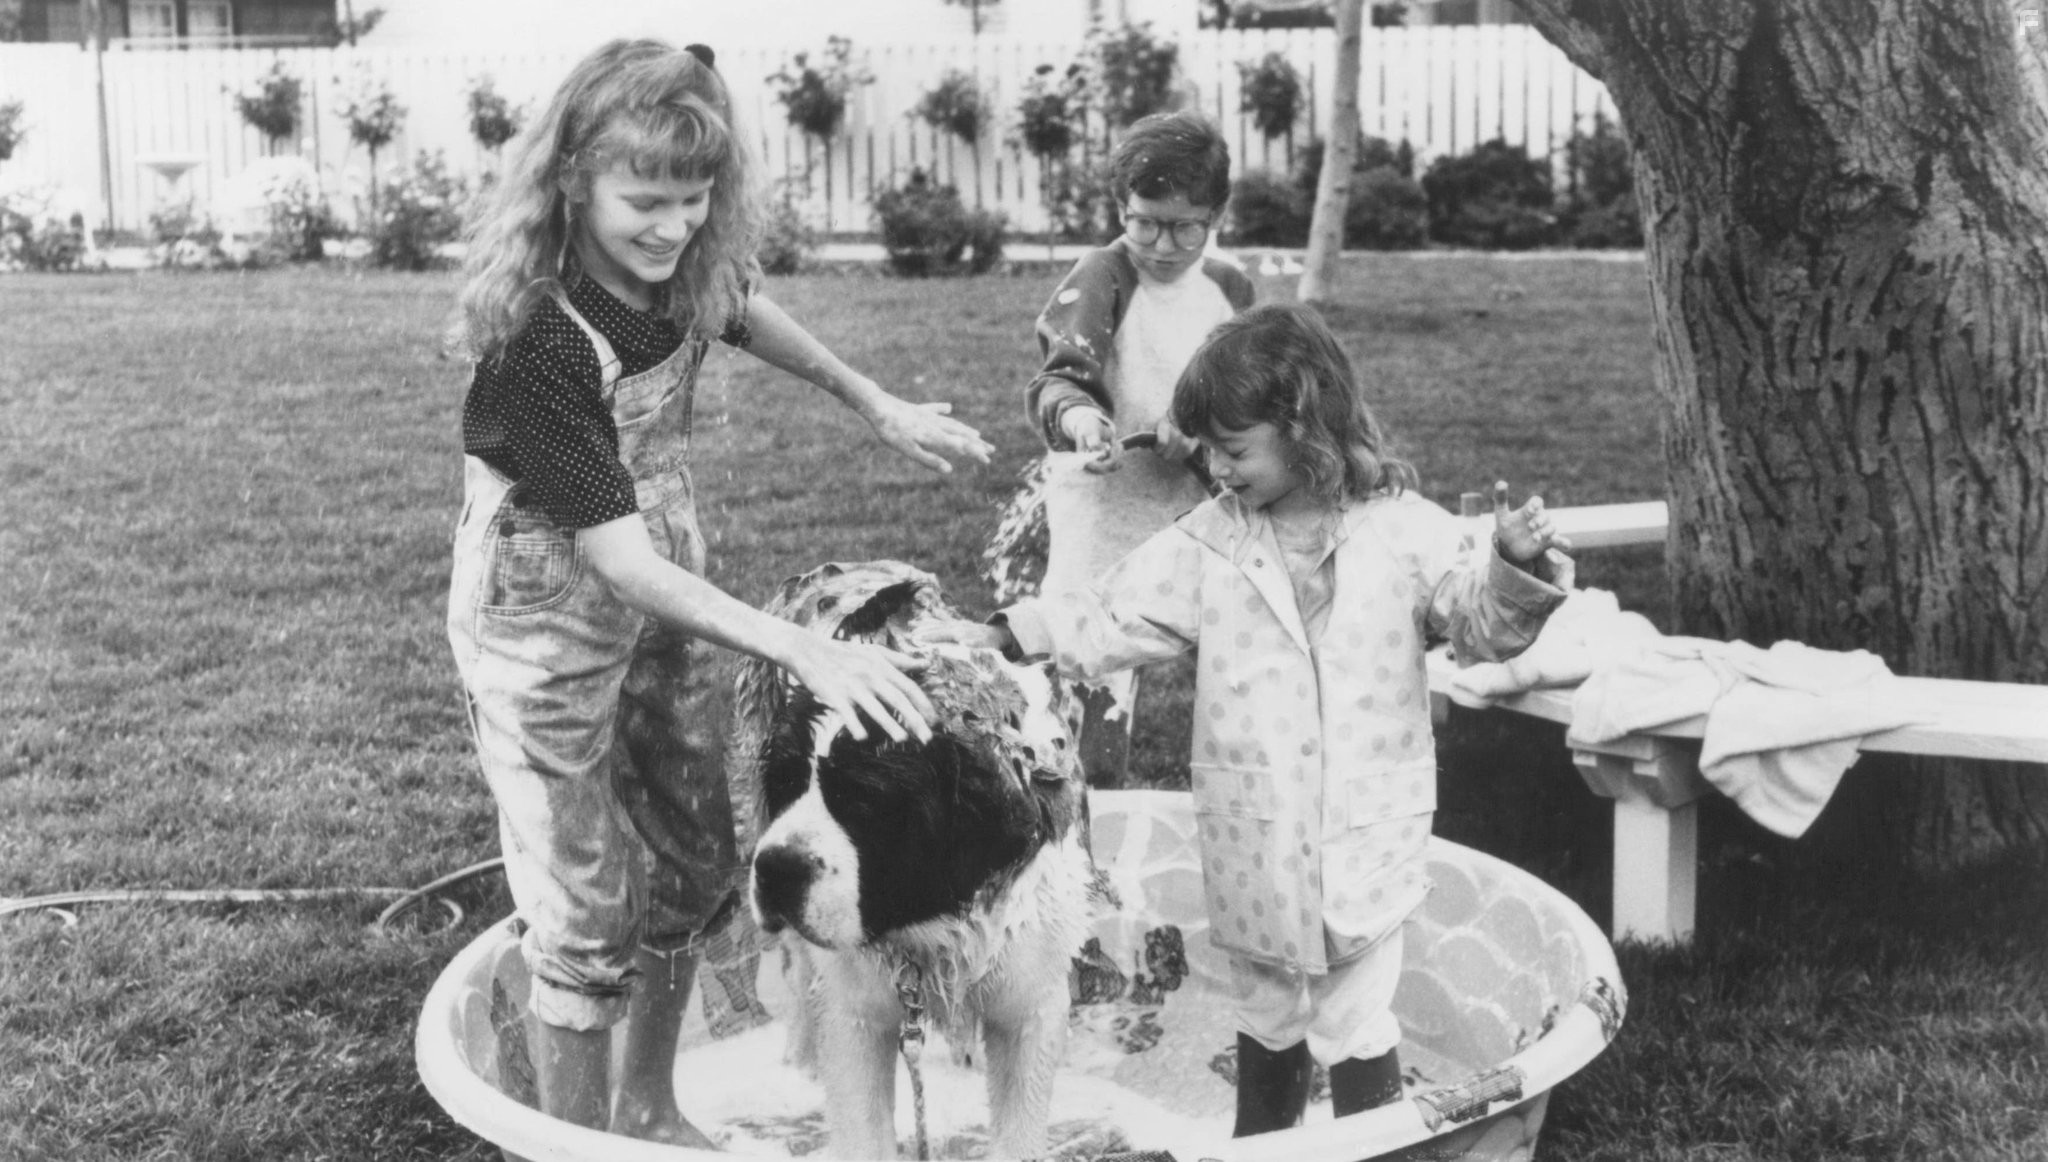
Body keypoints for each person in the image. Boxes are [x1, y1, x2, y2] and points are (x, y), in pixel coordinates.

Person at [445, 38, 991, 1145]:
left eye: (694, 199)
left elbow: (740, 304)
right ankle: (581, 1147)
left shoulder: (677, 273)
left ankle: (649, 1106)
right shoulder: (543, 341)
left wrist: (872, 400)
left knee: (696, 859)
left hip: (659, 599)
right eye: (644, 202)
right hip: (543, 629)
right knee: (583, 907)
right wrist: (802, 648)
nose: (673, 227)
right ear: (571, 181)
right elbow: (616, 560)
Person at [935, 302, 1573, 1136]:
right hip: (1255, 837)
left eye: (1233, 451)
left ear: (1304, 427)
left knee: (1355, 1017)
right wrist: (1007, 633)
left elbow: (1481, 627)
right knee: (1267, 1010)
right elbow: (1112, 611)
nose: (1215, 468)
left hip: (1365, 833)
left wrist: (1514, 567)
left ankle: (1374, 1151)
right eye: (1208, 450)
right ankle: (1260, 1145)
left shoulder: (1405, 532)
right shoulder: (1212, 541)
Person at [1024, 108, 1257, 789]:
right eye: (1144, 222)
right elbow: (1059, 379)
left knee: (1233, 652)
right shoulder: (1104, 274)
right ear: (1121, 207)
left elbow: (1252, 392)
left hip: (1195, 503)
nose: (1162, 244)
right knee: (1092, 664)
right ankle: (1081, 800)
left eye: (1186, 227)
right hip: (1105, 502)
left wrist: (1203, 428)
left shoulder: (1230, 288)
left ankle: (1239, 791)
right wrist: (1081, 421)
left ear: (1217, 215)